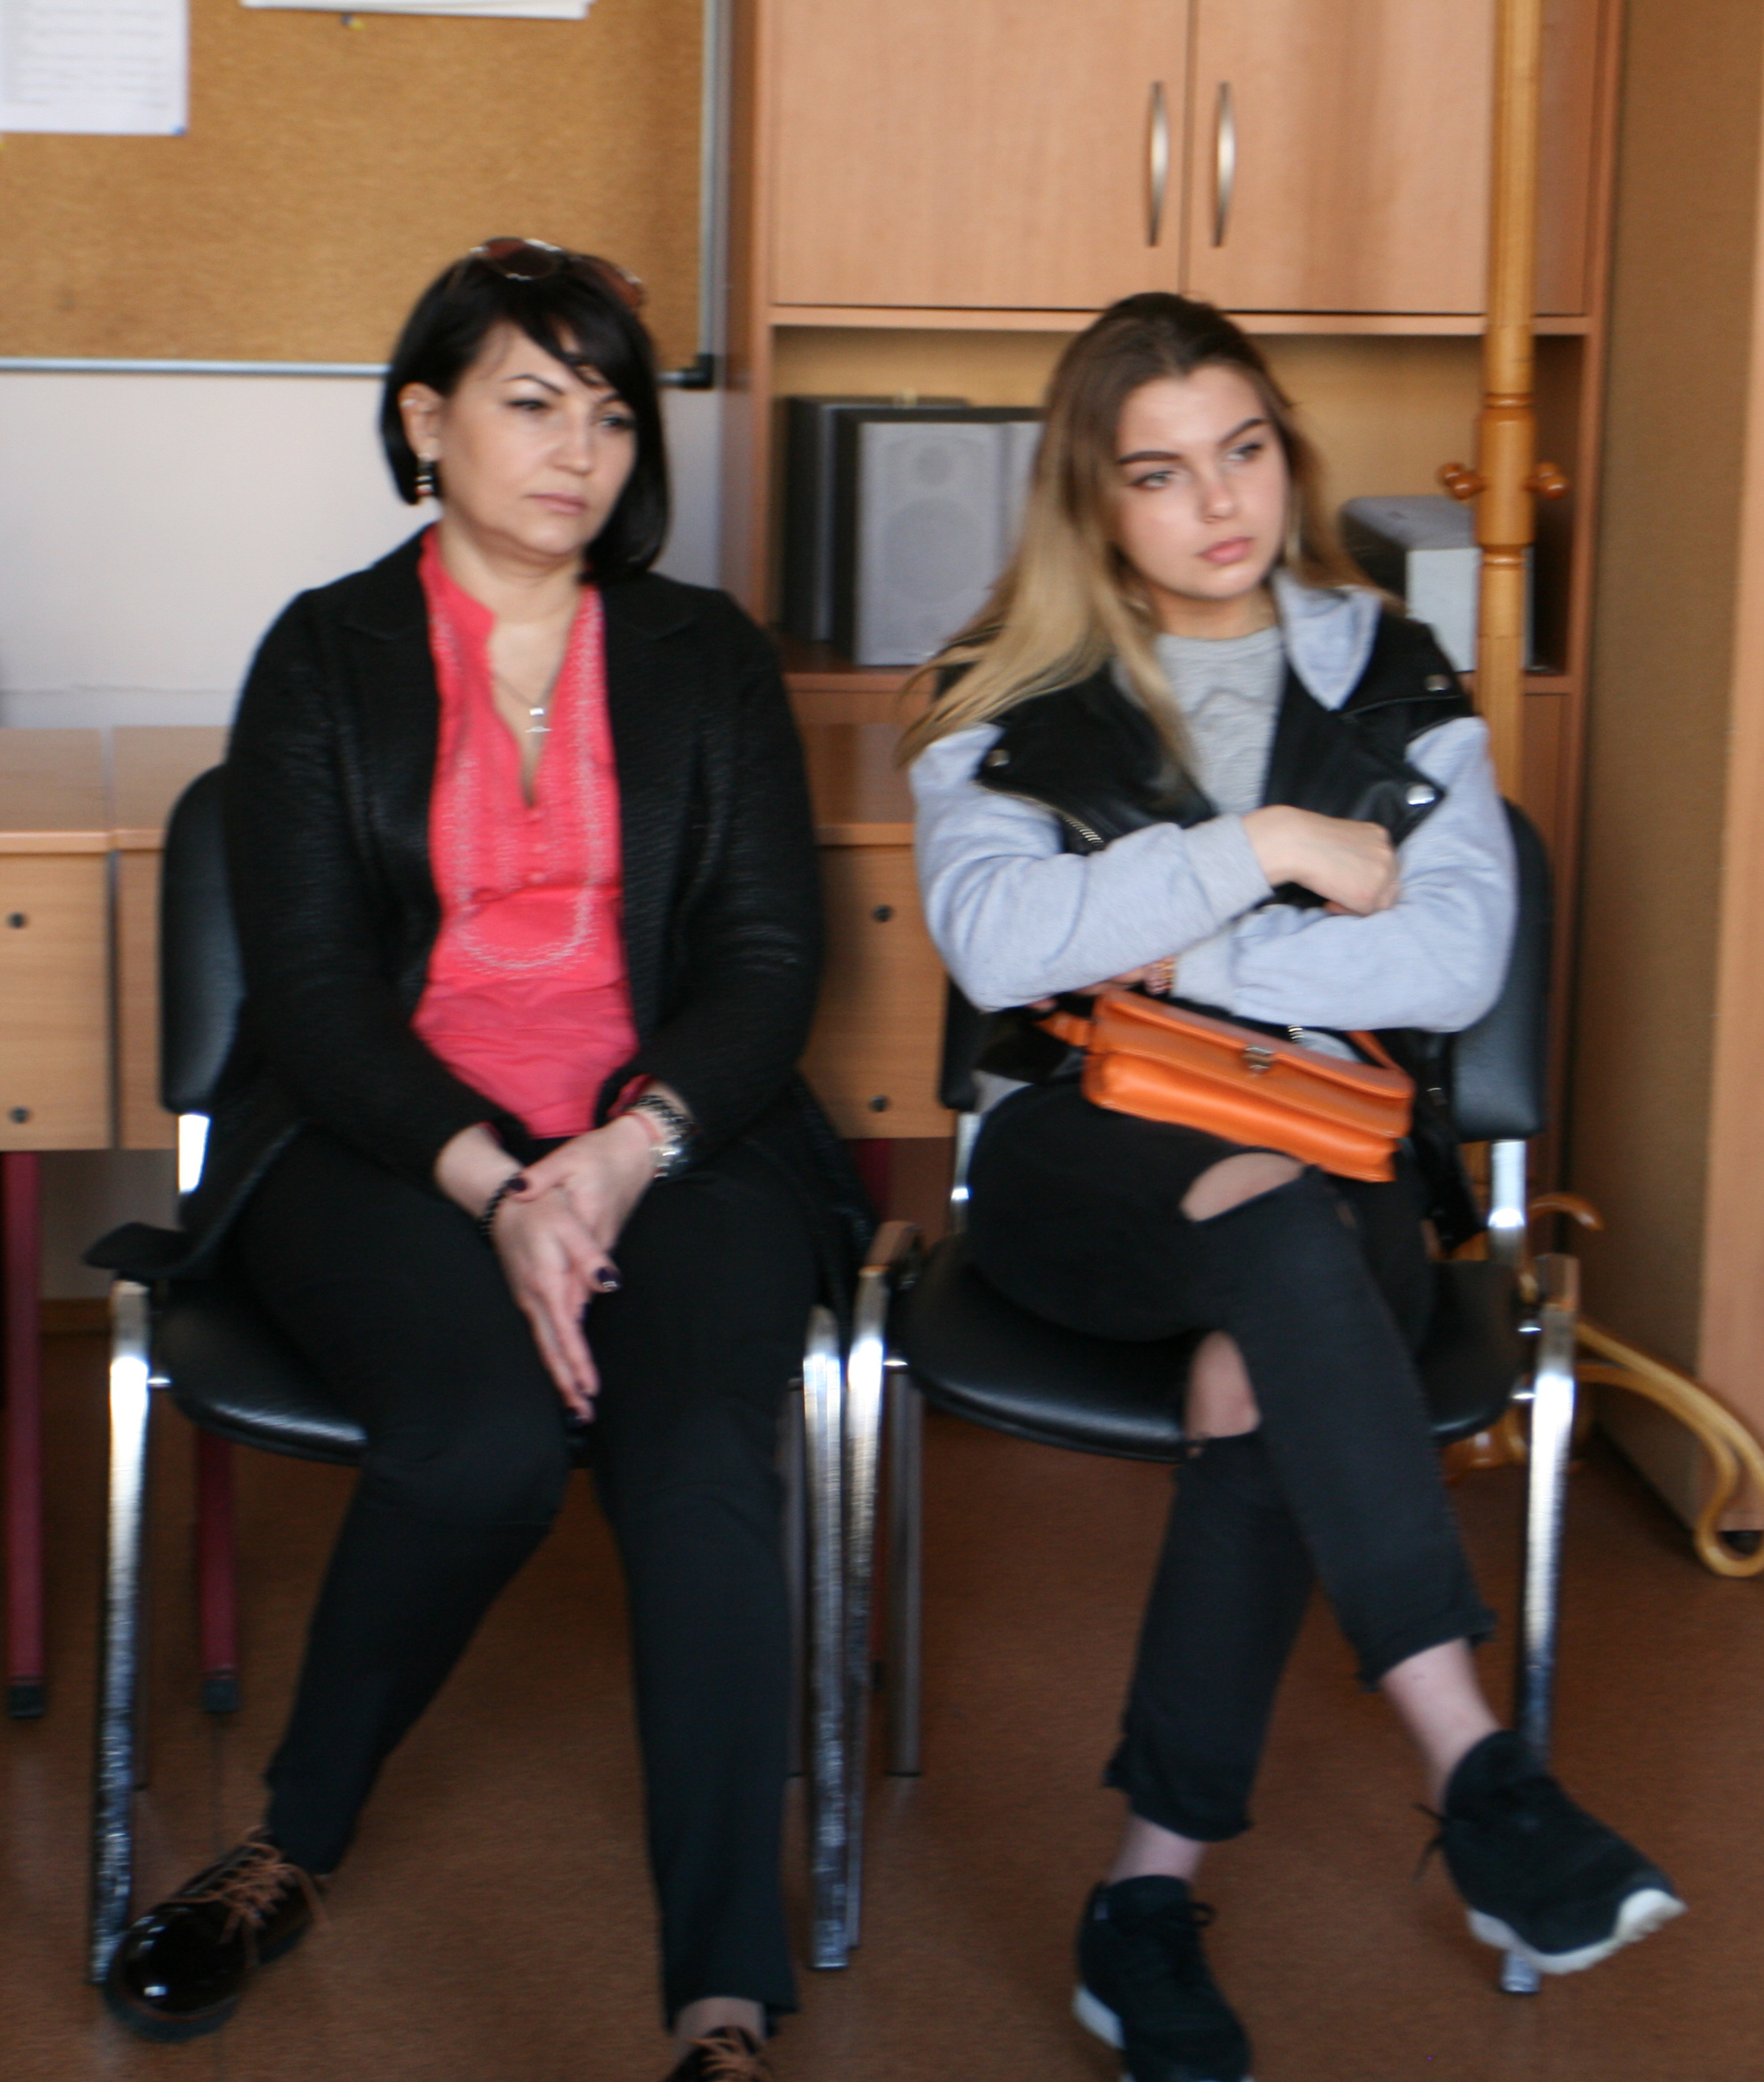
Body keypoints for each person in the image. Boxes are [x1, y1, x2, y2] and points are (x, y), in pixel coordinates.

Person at [98, 239, 862, 2082]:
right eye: (533, 402)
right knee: (484, 1443)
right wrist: (500, 1188)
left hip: (679, 1142)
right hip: (383, 1147)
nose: (578, 450)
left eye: (612, 414)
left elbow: (770, 960)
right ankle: (292, 1846)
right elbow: (312, 996)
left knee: (696, 1459)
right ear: (426, 420)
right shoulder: (326, 654)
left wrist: (624, 1153)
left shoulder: (704, 655)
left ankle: (724, 2004)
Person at [904, 292, 1683, 2082]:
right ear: (1094, 499)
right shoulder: (1000, 687)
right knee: (1274, 1233)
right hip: (1081, 1162)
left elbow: (1458, 956)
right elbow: (1000, 940)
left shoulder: (1394, 668)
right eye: (1162, 471)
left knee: (1259, 1343)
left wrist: (1179, 958)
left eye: (1244, 450)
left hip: (1334, 1150)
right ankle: (1474, 1767)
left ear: (1286, 455)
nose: (1219, 503)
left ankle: (1145, 1900)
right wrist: (1268, 847)